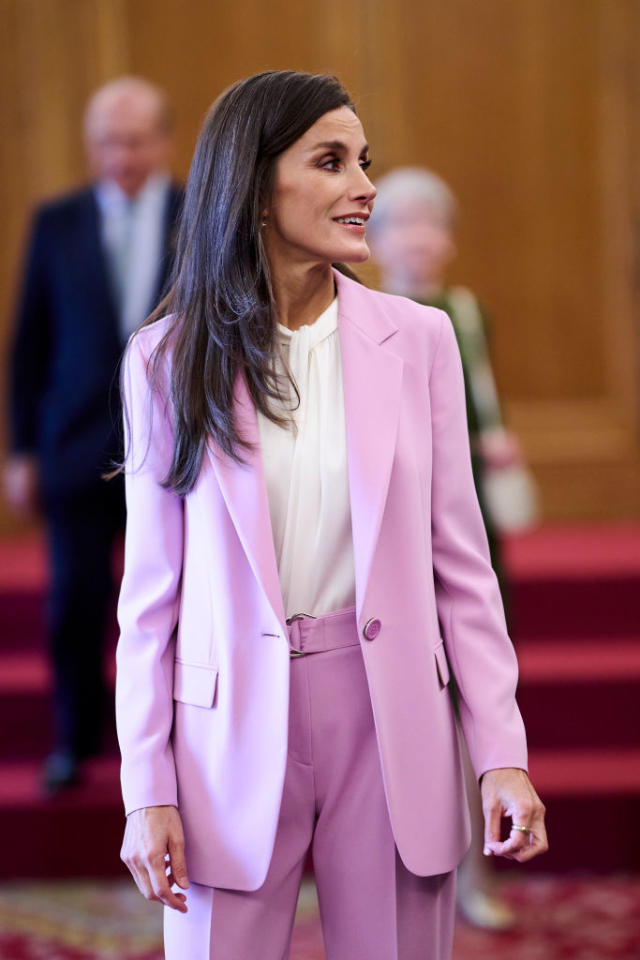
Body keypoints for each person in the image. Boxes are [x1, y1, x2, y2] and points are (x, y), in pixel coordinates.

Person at [115, 71, 547, 960]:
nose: (366, 186)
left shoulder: (420, 340)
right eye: (331, 161)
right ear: (256, 186)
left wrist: (501, 751)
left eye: (364, 160)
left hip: (390, 718)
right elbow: (149, 603)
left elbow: (463, 572)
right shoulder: (164, 359)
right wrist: (145, 787)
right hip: (225, 734)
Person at [4, 76, 183, 793]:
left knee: (175, 605)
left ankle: (173, 747)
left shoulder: (199, 215)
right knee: (74, 599)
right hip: (76, 448)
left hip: (173, 448)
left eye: (136, 140)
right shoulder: (58, 221)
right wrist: (20, 449)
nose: (122, 155)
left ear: (164, 141)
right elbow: (27, 343)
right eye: (108, 141)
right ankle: (74, 740)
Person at [368, 165, 534, 929]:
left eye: (433, 223)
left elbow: (479, 401)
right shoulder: (361, 316)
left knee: (476, 700)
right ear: (373, 240)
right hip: (390, 534)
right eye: (403, 223)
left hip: (463, 529)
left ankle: (475, 876)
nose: (420, 238)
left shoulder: (467, 314)